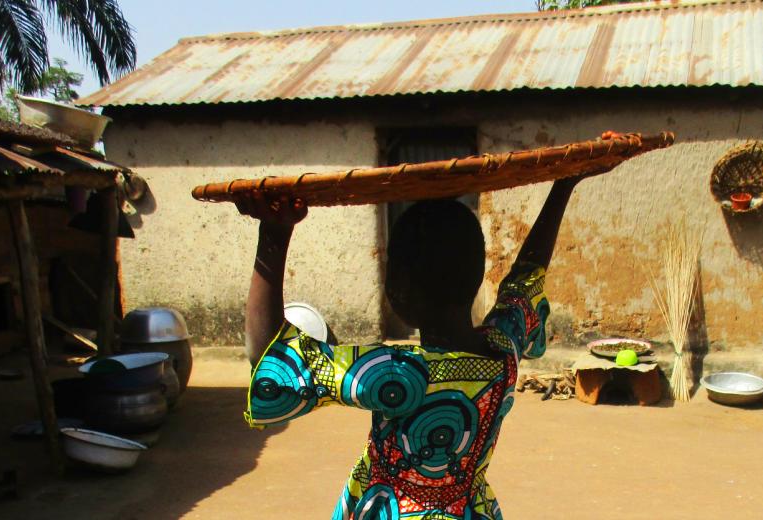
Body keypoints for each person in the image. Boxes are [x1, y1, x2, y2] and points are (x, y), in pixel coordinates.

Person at [238, 175, 587, 519]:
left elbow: (273, 358)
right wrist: (563, 187)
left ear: (400, 291)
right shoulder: (503, 352)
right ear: (476, 276)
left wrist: (274, 234)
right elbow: (526, 278)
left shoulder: (396, 374)